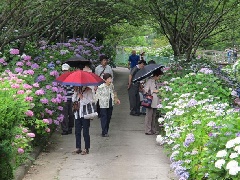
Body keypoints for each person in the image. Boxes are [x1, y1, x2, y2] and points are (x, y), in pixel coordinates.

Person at [95, 73, 120, 137]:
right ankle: (104, 132)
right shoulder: (101, 87)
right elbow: (97, 96)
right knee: (104, 117)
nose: (110, 80)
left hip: (110, 103)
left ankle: (106, 130)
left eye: (110, 78)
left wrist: (116, 99)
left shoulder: (111, 85)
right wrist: (95, 104)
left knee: (108, 117)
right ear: (105, 80)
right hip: (103, 104)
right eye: (108, 79)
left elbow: (113, 92)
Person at [72, 86, 93, 155]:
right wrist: (75, 92)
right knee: (77, 131)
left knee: (85, 132)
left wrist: (82, 97)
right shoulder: (77, 90)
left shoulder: (88, 90)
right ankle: (78, 147)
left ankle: (86, 148)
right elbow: (73, 100)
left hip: (85, 114)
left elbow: (90, 101)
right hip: (77, 114)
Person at [144, 69, 164, 135]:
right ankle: (148, 130)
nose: (159, 78)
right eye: (159, 76)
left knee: (154, 116)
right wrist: (154, 90)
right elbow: (146, 90)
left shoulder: (156, 81)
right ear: (156, 75)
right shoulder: (150, 81)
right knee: (149, 116)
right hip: (150, 101)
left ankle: (153, 129)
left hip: (156, 101)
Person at [61, 63, 74, 135]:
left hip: (71, 98)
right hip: (64, 99)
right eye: (63, 71)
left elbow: (74, 88)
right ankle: (65, 129)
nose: (64, 72)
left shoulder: (72, 78)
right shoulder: (61, 79)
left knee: (71, 115)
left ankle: (70, 128)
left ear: (69, 70)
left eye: (66, 70)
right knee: (64, 115)